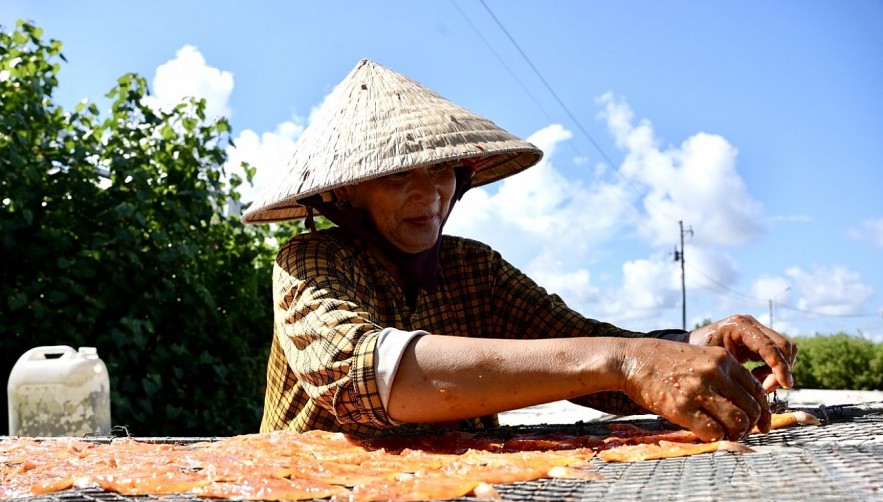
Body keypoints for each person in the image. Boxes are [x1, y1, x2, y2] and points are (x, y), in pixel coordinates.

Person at [240, 59, 797, 445]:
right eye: (398, 176)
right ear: (343, 193)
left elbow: (576, 342)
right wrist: (623, 362)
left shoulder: (473, 268)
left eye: (440, 170)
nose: (429, 194)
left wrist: (698, 344)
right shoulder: (312, 261)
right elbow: (367, 375)